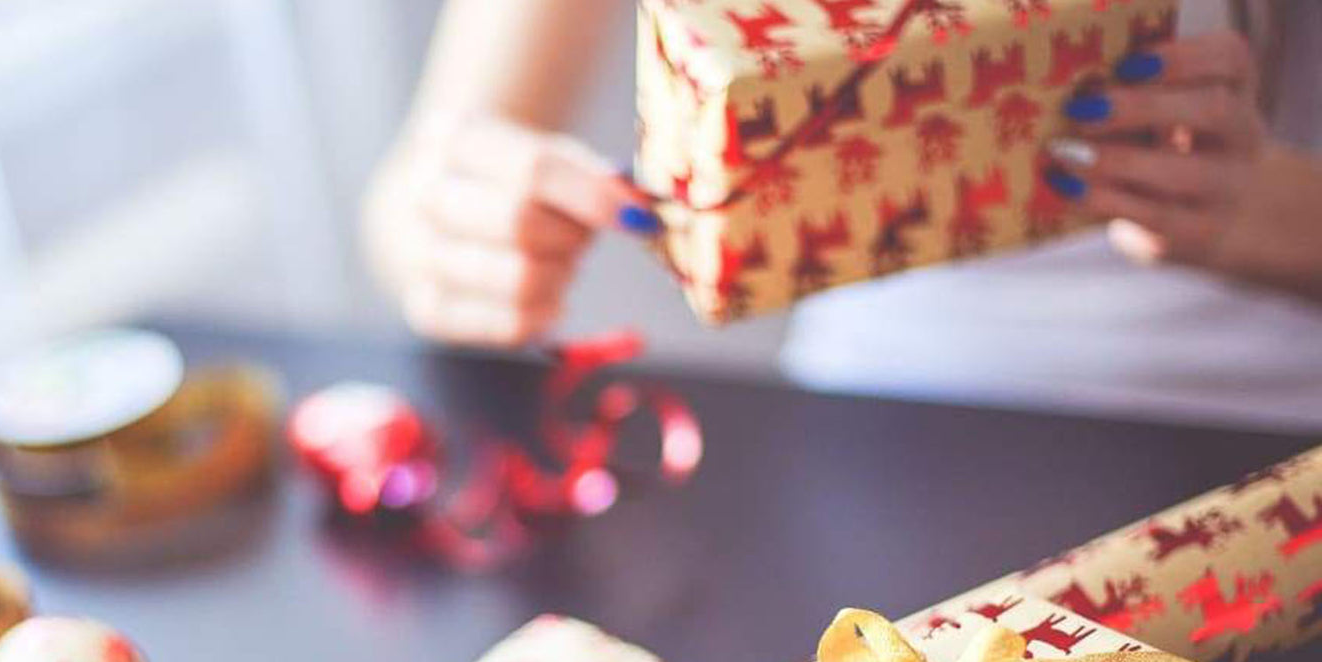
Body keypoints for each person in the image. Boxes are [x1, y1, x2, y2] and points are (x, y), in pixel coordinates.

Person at [362, 0, 1322, 428]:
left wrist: (1254, 211)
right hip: (875, 417)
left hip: (1262, 424)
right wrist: (460, 233)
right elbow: (411, 200)